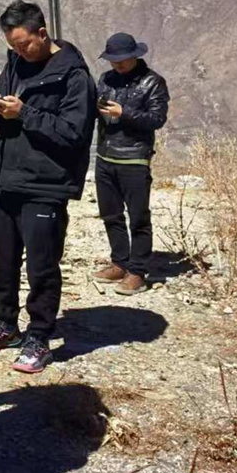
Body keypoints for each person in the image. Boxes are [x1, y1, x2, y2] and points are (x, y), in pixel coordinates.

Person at [0, 0, 96, 374]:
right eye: (13, 46)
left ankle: (39, 336)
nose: (19, 51)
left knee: (42, 265)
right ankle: (5, 323)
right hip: (5, 176)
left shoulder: (74, 76)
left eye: (24, 44)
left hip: (45, 184)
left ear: (42, 33)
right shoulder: (15, 63)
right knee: (2, 259)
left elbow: (74, 133)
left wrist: (23, 113)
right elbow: (5, 109)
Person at [92, 32, 170, 296]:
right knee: (110, 214)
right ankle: (120, 263)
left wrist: (123, 113)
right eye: (114, 59)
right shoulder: (106, 80)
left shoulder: (153, 82)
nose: (118, 64)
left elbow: (157, 119)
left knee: (138, 217)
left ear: (135, 56)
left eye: (123, 59)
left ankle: (137, 271)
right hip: (105, 156)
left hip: (134, 158)